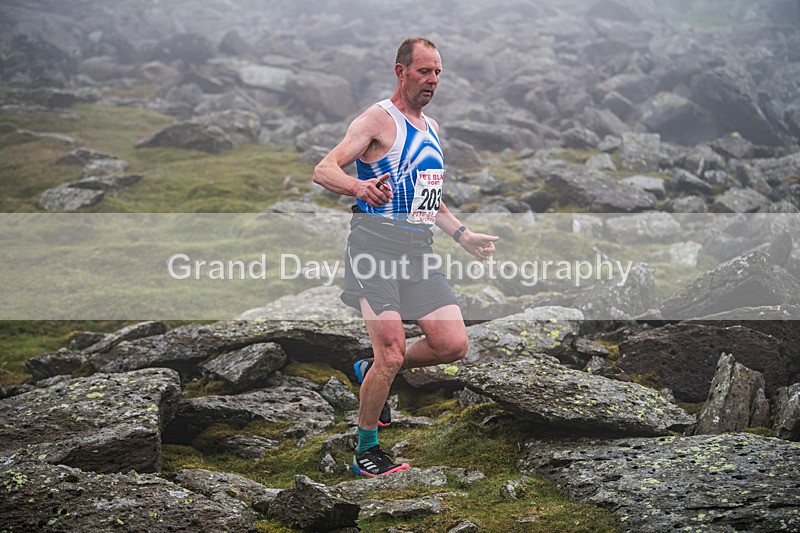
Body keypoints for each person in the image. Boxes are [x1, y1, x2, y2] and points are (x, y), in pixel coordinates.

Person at [313, 37, 499, 477]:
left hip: (417, 251)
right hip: (374, 248)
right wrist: (359, 186)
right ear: (401, 72)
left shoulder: (431, 128)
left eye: (438, 72)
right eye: (424, 71)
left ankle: (369, 369)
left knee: (452, 344)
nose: (432, 80)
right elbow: (324, 169)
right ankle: (366, 451)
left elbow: (427, 198)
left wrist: (463, 235)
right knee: (393, 354)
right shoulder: (377, 119)